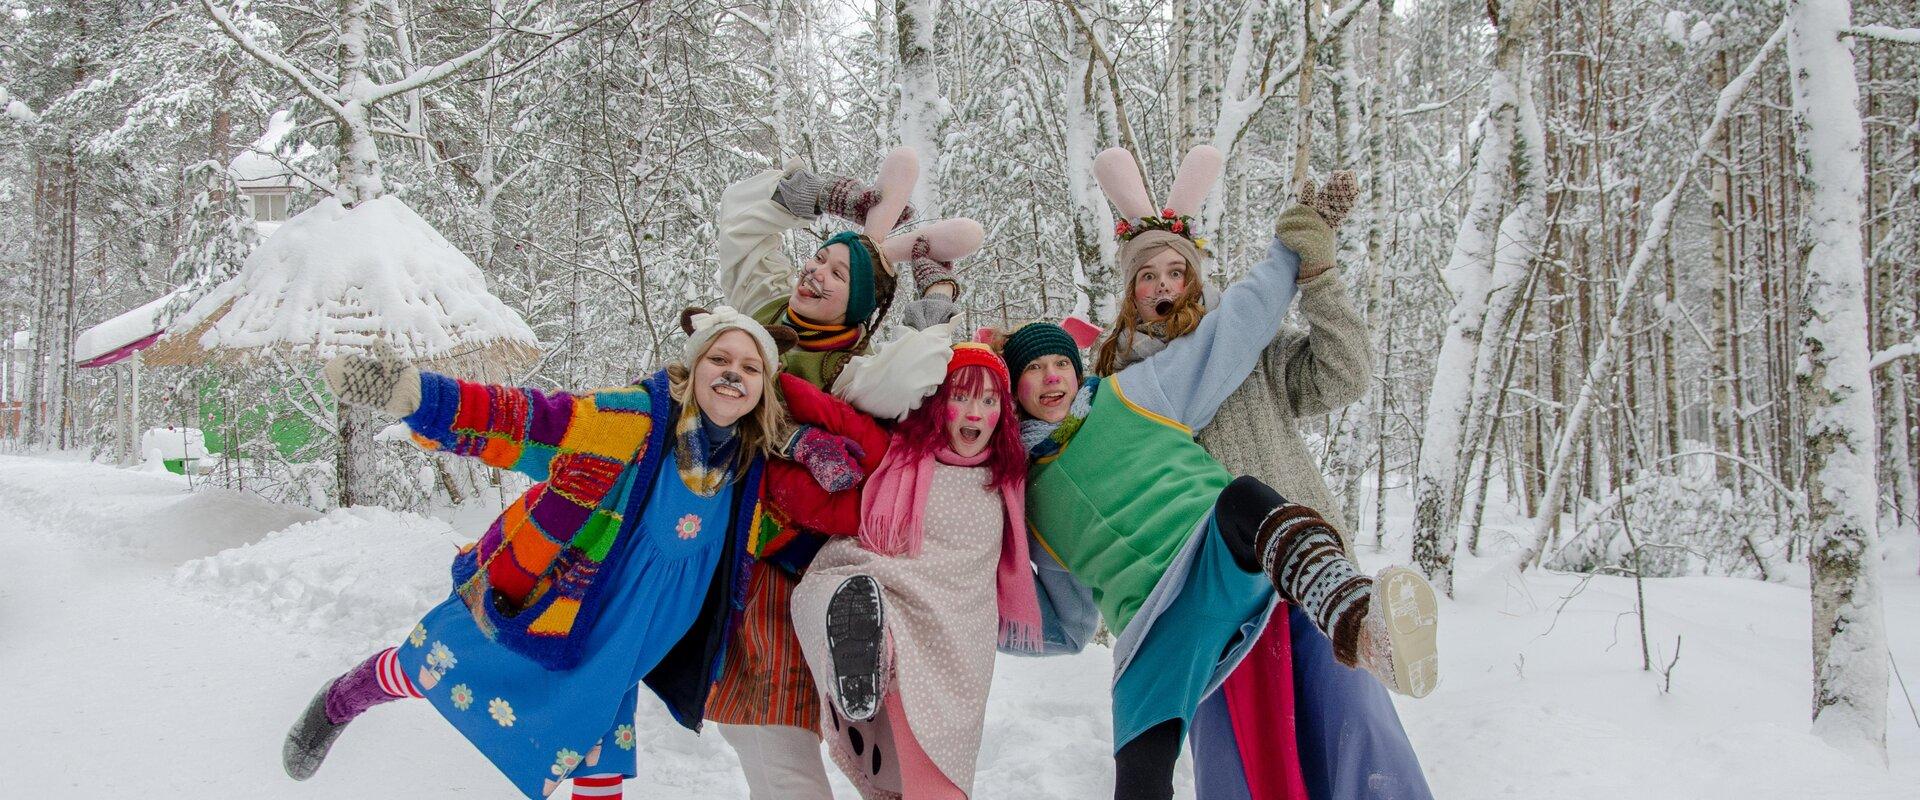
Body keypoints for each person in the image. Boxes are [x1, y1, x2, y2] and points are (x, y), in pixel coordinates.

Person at [1007, 146, 1440, 800]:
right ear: (1128, 294)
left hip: (1297, 577)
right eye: (1143, 275)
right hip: (1203, 614)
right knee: (1248, 767)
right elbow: (1078, 562)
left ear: (1196, 277)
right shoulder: (1118, 390)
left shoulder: (1241, 359)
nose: (1161, 286)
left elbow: (1338, 369)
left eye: (1174, 270)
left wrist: (1312, 268)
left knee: (1356, 746)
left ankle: (1358, 617)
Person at [279, 308, 831, 800]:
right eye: (719, 357)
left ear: (764, 389)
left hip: (623, 648)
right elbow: (533, 421)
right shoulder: (634, 423)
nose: (734, 372)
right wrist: (424, 397)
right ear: (692, 369)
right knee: (429, 664)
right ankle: (341, 699)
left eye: (751, 367)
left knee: (599, 770)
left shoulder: (750, 473)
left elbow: (777, 539)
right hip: (556, 607)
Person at [708, 146, 982, 799]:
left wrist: (936, 294)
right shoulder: (762, 320)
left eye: (839, 273)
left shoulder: (854, 375)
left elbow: (919, 368)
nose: (817, 273)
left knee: (869, 763)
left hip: (806, 581)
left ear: (860, 307)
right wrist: (839, 200)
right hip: (737, 579)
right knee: (779, 763)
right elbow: (740, 223)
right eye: (818, 259)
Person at [770, 342, 1040, 799]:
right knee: (827, 592)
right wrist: (764, 374)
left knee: (925, 786)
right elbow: (829, 412)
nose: (975, 412)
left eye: (989, 400)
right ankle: (861, 647)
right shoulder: (898, 450)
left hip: (955, 644)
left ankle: (865, 652)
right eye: (961, 396)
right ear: (938, 404)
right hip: (883, 604)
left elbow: (1066, 411)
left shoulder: (1010, 473)